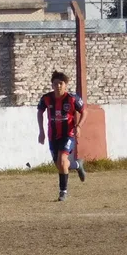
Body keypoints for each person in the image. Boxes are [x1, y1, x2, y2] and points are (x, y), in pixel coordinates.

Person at [38, 70, 87, 201]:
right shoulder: (46, 98)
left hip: (68, 134)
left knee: (62, 160)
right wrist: (41, 131)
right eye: (55, 84)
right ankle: (77, 165)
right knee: (60, 164)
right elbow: (40, 112)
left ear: (65, 85)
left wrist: (79, 126)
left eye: (61, 83)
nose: (58, 86)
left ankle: (63, 192)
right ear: (52, 85)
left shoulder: (72, 98)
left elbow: (84, 112)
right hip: (52, 135)